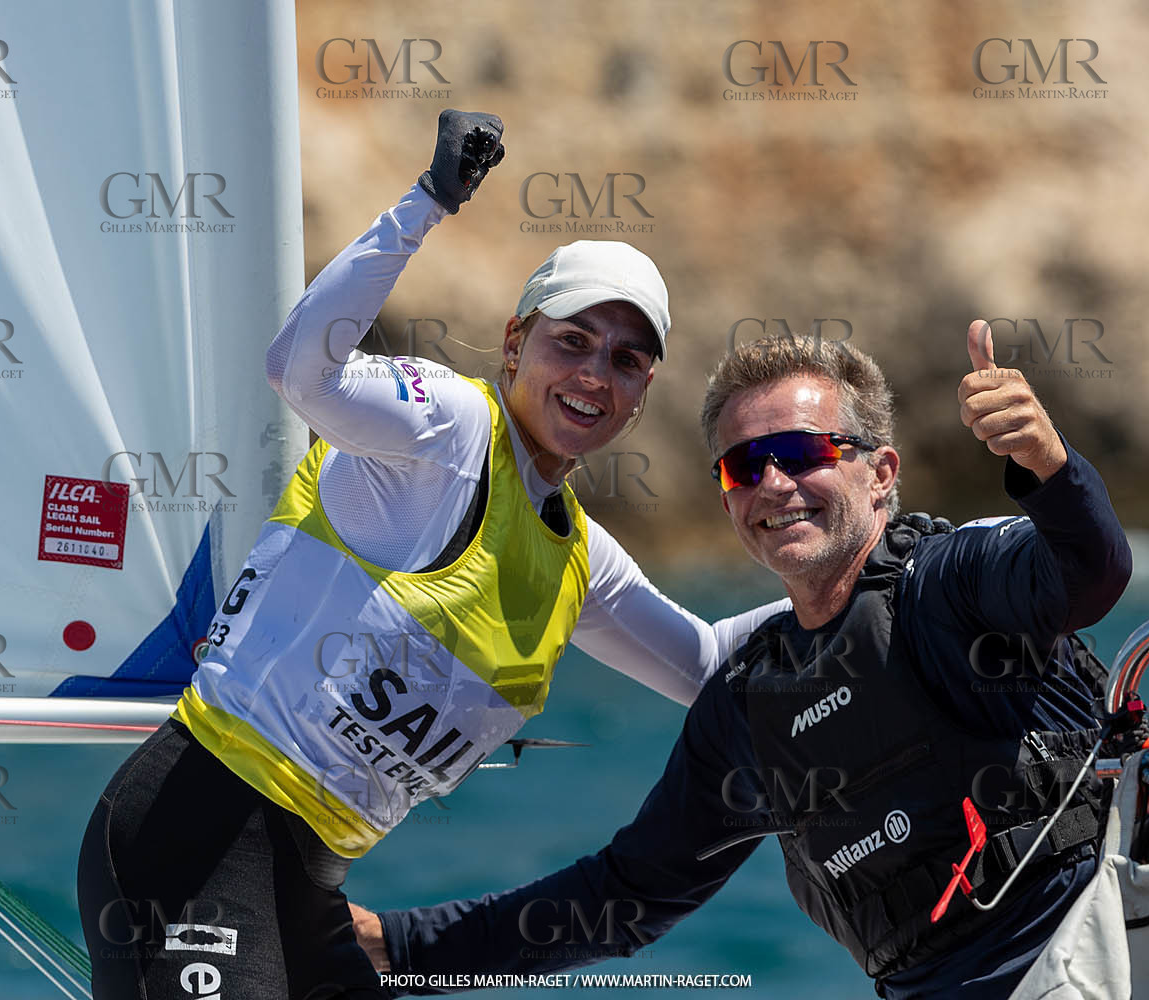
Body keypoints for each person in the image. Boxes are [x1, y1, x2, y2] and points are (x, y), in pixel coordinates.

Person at [76, 109, 785, 1000]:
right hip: (191, 836)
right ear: (515, 343)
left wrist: (884, 570)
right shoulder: (448, 430)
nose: (595, 376)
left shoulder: (581, 561)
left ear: (644, 391)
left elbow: (712, 668)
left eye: (627, 360)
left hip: (304, 885)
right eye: (571, 341)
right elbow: (300, 372)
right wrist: (427, 202)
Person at [352, 325, 1134, 998]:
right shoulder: (748, 705)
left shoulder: (954, 583)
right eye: (743, 466)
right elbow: (625, 896)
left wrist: (1046, 463)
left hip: (1098, 956)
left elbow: (1090, 572)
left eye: (801, 453)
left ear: (881, 473)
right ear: (727, 499)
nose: (774, 484)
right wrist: (396, 946)